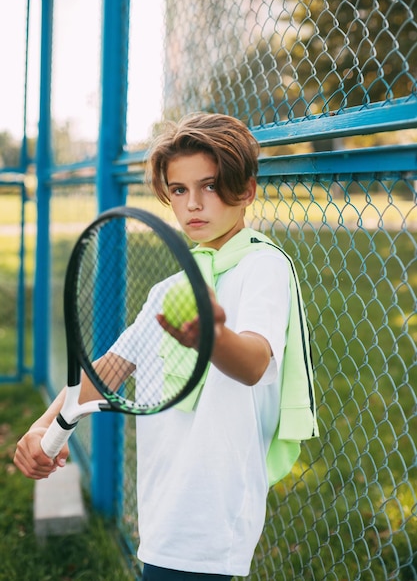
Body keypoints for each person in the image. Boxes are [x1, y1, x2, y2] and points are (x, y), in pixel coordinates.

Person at [14, 112, 318, 580]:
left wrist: (212, 339)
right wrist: (44, 428)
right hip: (164, 497)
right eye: (179, 190)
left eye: (211, 186)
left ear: (247, 190)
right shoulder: (171, 289)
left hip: (215, 506)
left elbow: (254, 362)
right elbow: (110, 369)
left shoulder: (263, 268)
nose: (193, 203)